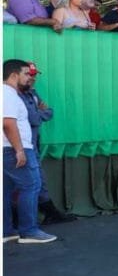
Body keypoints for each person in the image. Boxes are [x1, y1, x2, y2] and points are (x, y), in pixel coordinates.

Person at [3, 59, 57, 243]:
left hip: (9, 149)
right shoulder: (8, 94)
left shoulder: (11, 94)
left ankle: (6, 231)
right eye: (26, 74)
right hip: (14, 149)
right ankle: (29, 231)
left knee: (6, 190)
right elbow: (8, 123)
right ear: (13, 75)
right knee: (31, 186)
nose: (30, 78)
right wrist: (19, 150)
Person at [17, 63, 76, 225]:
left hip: (33, 144)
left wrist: (42, 112)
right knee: (32, 181)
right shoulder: (16, 95)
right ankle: (31, 220)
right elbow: (35, 118)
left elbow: (48, 112)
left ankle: (47, 213)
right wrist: (41, 112)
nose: (32, 78)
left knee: (36, 180)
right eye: (29, 74)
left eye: (34, 74)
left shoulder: (32, 93)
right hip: (21, 145)